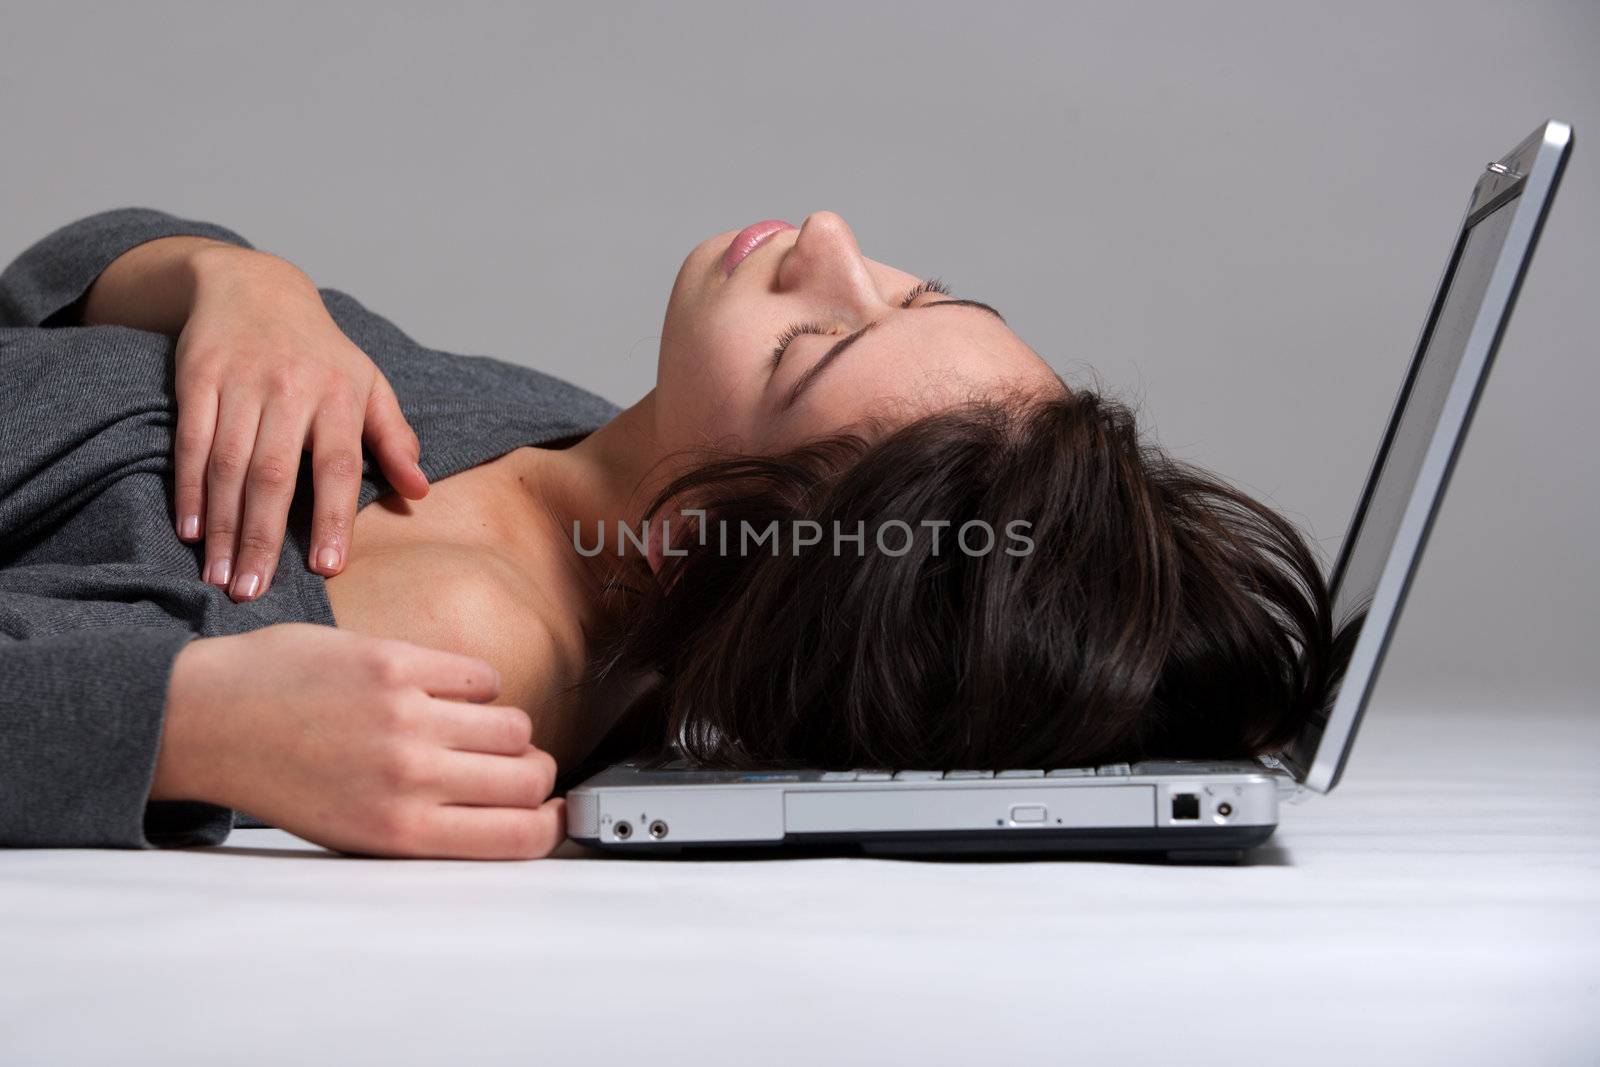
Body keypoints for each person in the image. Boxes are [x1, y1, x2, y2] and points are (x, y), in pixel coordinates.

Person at [0, 209, 1348, 860]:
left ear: (714, 541)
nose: (827, 238)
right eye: (912, 291)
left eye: (814, 342)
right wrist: (235, 282)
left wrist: (177, 725)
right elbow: (47, 310)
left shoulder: (466, 633)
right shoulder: (563, 439)